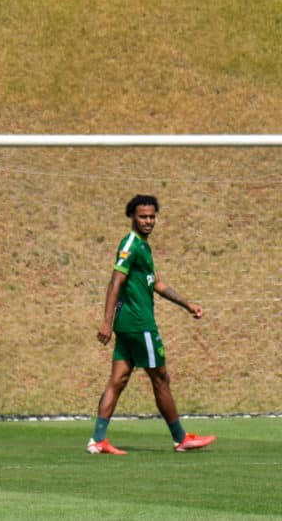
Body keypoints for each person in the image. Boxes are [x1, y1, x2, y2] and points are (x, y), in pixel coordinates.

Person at [86, 194, 217, 455]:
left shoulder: (143, 247)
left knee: (118, 379)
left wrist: (187, 303)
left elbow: (156, 283)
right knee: (161, 378)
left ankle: (97, 440)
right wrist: (106, 321)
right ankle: (181, 438)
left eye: (152, 216)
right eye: (143, 216)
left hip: (129, 325)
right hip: (139, 324)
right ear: (132, 217)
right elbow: (115, 282)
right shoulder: (131, 244)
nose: (148, 221)